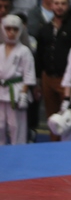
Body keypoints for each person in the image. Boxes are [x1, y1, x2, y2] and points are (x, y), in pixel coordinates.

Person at [35, 0, 71, 141]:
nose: (60, 7)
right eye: (56, 3)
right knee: (52, 118)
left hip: (67, 80)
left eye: (63, 3)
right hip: (48, 78)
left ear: (68, 6)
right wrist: (38, 80)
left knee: (69, 117)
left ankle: (70, 147)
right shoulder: (45, 28)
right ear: (51, 5)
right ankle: (54, 146)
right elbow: (39, 55)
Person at [0, 15, 36, 146]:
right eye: (8, 29)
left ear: (20, 31)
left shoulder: (24, 51)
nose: (11, 32)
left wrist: (23, 94)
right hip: (1, 91)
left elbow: (29, 74)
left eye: (15, 29)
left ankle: (19, 153)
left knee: (16, 126)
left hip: (16, 91)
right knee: (0, 125)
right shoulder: (0, 49)